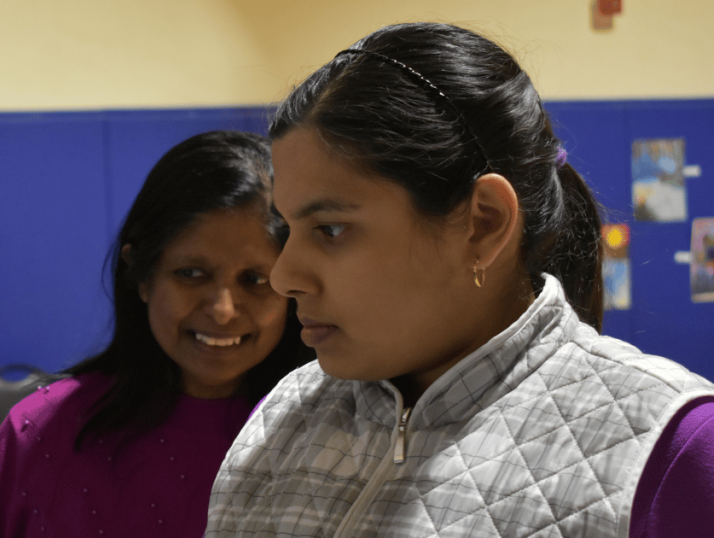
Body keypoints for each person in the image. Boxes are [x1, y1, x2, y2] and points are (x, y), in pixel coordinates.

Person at [204, 23, 714, 537]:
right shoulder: (282, 417)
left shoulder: (671, 447)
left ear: (484, 222)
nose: (285, 275)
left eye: (330, 229)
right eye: (287, 228)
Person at [0, 130, 313, 538]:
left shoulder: (336, 433)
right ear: (142, 275)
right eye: (191, 274)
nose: (223, 309)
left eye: (255, 280)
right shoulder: (41, 431)